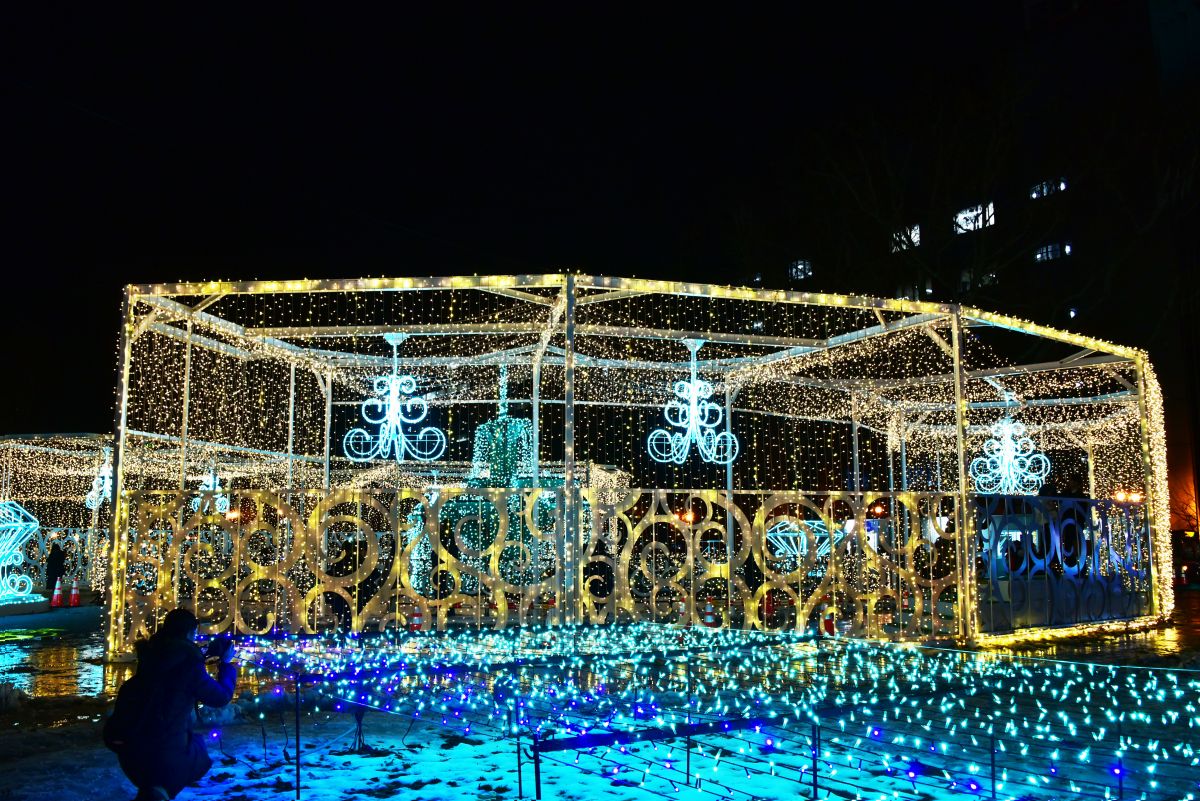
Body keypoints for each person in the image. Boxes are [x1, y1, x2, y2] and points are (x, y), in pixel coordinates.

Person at [104, 609, 238, 800]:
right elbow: (220, 697)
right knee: (195, 751)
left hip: (131, 752)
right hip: (168, 753)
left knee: (152, 785)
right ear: (190, 633)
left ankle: (155, 792)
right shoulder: (189, 665)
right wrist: (225, 665)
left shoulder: (150, 658)